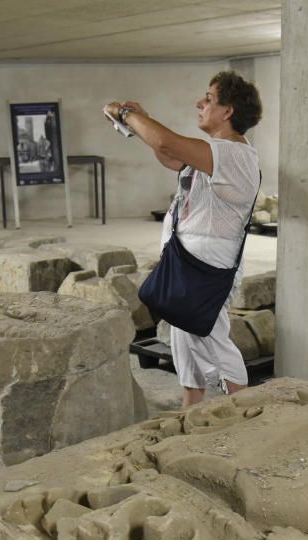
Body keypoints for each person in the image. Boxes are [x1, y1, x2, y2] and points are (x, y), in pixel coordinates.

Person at [103, 71, 262, 407]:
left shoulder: (235, 155)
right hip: (187, 255)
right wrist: (141, 122)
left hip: (208, 262)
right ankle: (191, 405)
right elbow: (172, 157)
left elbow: (166, 143)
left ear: (228, 111)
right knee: (182, 333)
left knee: (210, 335)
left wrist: (127, 115)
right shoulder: (214, 151)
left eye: (209, 98)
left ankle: (244, 408)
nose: (200, 103)